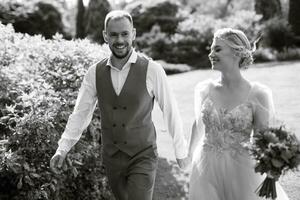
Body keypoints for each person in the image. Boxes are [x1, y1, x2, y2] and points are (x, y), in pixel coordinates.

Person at [50, 10, 189, 200]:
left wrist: (180, 151)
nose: (120, 40)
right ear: (105, 36)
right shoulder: (94, 73)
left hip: (143, 155)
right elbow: (80, 114)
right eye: (114, 34)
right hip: (112, 157)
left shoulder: (152, 70)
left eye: (124, 33)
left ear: (133, 34)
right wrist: (62, 148)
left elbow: (171, 111)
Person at [187, 28, 289, 200]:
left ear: (236, 52)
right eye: (211, 49)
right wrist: (188, 155)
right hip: (205, 167)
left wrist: (272, 166)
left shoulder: (258, 95)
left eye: (217, 49)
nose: (211, 54)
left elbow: (261, 139)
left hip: (242, 170)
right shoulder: (204, 90)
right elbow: (197, 124)